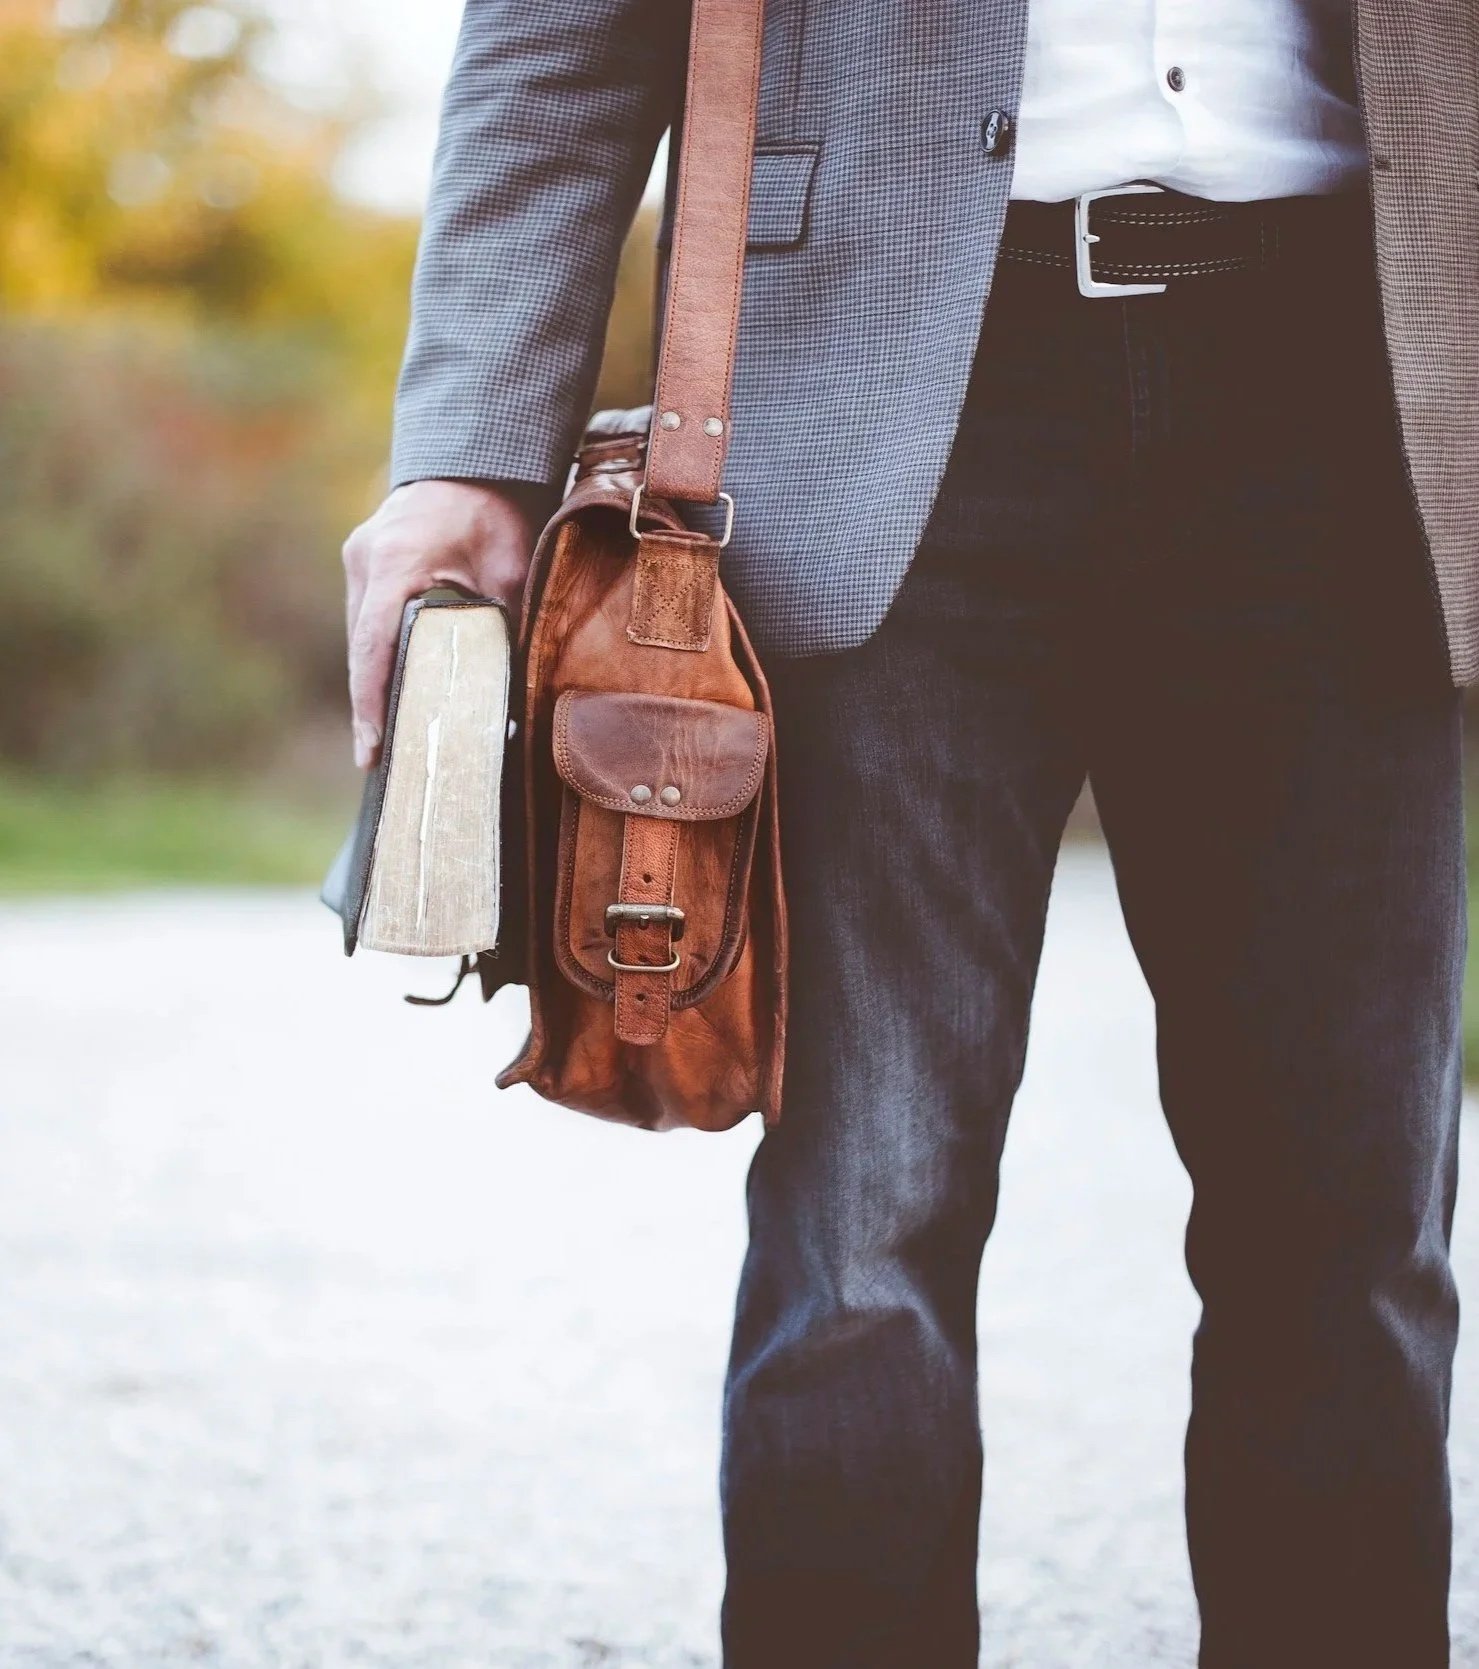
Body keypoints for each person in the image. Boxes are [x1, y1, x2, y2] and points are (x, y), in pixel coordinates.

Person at [340, 4, 1475, 1664]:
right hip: (890, 387)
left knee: (1354, 1231)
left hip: (1360, 378)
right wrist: (470, 442)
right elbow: (562, 35)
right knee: (864, 1226)